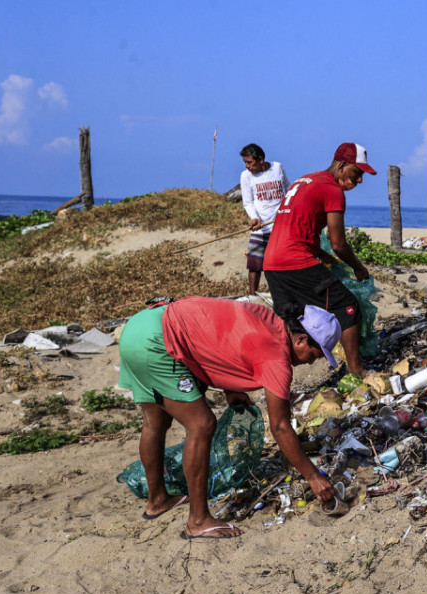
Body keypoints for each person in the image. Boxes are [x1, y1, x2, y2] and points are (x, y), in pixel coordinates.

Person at [118, 297, 341, 539]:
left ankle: (158, 500)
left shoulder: (265, 317)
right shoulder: (276, 358)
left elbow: (222, 336)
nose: (310, 362)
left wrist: (231, 389)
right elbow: (280, 427)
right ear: (300, 338)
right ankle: (198, 520)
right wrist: (313, 477)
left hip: (140, 326)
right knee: (202, 425)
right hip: (158, 343)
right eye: (314, 354)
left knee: (155, 422)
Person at [263, 142, 376, 377]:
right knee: (347, 307)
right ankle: (357, 371)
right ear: (342, 166)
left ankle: (278, 375)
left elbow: (305, 232)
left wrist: (326, 259)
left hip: (272, 262)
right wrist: (359, 268)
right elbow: (339, 243)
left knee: (289, 320)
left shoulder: (305, 180)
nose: (359, 181)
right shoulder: (332, 189)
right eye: (357, 174)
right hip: (295, 260)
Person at [239, 144, 289, 295]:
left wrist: (288, 209)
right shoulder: (246, 176)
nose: (248, 166)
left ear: (260, 159)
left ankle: (282, 295)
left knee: (280, 264)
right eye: (245, 163)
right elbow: (248, 202)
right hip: (260, 228)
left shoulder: (277, 168)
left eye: (250, 162)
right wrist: (255, 218)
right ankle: (253, 296)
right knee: (254, 265)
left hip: (280, 227)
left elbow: (288, 187)